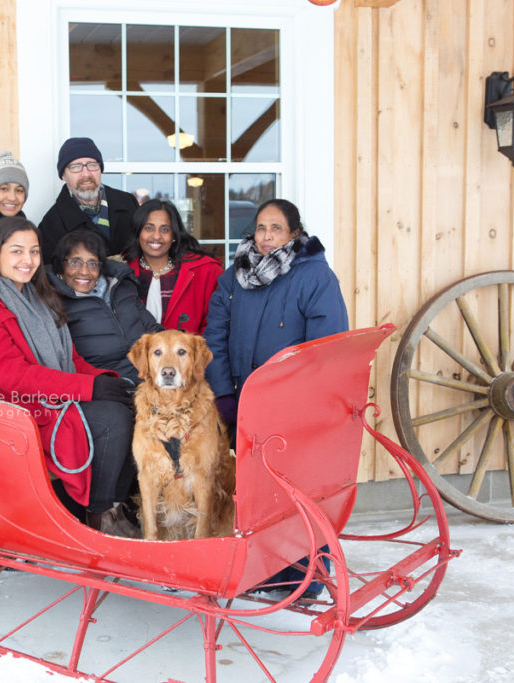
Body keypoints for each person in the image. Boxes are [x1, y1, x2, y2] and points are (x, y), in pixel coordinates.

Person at [0, 217, 140, 538]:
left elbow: (72, 359)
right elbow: (13, 377)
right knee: (111, 420)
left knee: (133, 406)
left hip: (49, 395)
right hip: (16, 408)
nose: (28, 260)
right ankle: (97, 516)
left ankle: (119, 505)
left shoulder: (39, 296)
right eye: (17, 251)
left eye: (34, 251)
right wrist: (91, 388)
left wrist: (108, 381)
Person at [203, 197, 349, 599]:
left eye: (277, 229)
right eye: (262, 229)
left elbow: (325, 347)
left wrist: (298, 403)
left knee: (297, 492)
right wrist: (224, 393)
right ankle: (262, 569)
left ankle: (307, 575)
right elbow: (215, 334)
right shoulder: (235, 277)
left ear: (294, 234)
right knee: (253, 491)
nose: (267, 237)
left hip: (291, 408)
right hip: (242, 402)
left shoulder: (314, 277)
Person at [49, 229, 163, 384]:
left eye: (92, 263)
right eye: (75, 262)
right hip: (106, 382)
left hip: (152, 371)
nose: (84, 271)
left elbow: (153, 329)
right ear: (61, 265)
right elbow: (61, 359)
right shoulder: (53, 300)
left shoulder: (121, 286)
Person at [123, 199, 224, 334]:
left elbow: (216, 328)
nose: (157, 236)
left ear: (174, 235)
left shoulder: (206, 272)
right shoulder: (120, 273)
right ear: (138, 232)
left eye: (165, 229)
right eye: (149, 228)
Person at [37, 137, 139, 259]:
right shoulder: (51, 224)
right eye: (75, 167)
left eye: (92, 165)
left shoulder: (128, 203)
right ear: (63, 175)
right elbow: (51, 273)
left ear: (100, 169)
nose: (86, 174)